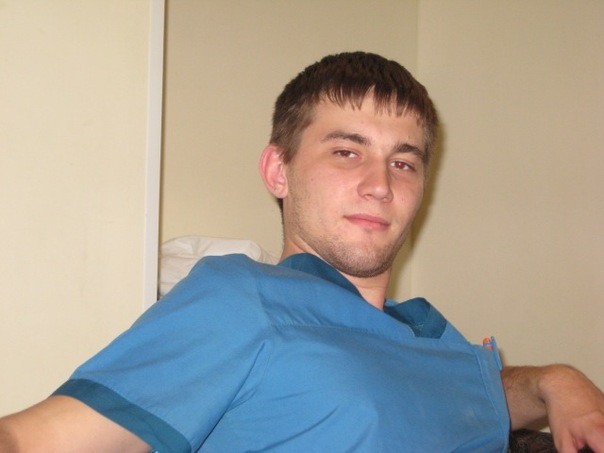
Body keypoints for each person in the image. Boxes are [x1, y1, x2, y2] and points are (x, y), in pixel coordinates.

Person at [1, 51, 603, 453]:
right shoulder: (244, 301)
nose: (380, 184)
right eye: (347, 152)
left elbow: (470, 397)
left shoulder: (430, 336)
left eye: (403, 162)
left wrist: (556, 380)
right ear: (278, 171)